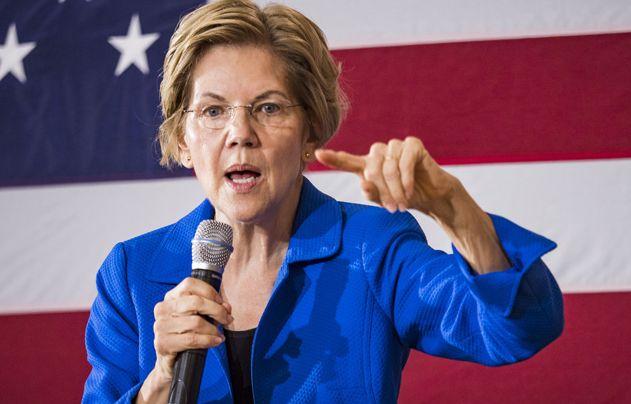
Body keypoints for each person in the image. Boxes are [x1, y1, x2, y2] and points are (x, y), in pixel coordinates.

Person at [82, 1, 564, 403]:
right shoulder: (132, 272)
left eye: (269, 107)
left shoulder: (373, 247)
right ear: (182, 140)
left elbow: (517, 329)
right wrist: (159, 383)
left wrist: (453, 209)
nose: (240, 133)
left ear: (310, 131)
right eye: (213, 110)